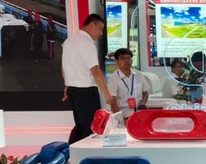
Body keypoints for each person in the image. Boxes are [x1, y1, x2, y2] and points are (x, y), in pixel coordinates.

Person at [61, 13, 116, 144]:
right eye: (100, 29)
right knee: (91, 128)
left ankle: (72, 151)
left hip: (73, 91)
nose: (101, 33)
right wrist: (108, 96)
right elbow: (95, 71)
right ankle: (86, 153)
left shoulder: (69, 41)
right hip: (86, 91)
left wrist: (67, 86)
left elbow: (64, 67)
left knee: (80, 126)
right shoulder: (87, 43)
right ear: (92, 25)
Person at [107, 48, 150, 119]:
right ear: (116, 61)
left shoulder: (139, 75)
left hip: (138, 112)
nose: (126, 61)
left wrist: (143, 103)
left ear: (132, 60)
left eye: (128, 58)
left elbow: (145, 92)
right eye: (122, 58)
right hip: (122, 113)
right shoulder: (113, 78)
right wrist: (120, 118)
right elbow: (112, 102)